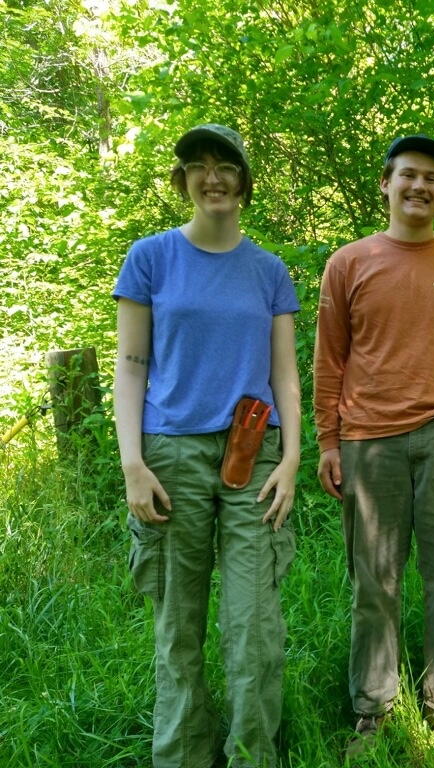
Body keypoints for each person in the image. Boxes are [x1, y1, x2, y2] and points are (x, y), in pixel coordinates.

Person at [313, 134, 434, 761]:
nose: (420, 186)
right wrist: (327, 441)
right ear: (386, 183)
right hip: (368, 439)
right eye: (408, 175)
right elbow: (329, 360)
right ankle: (372, 710)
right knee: (374, 581)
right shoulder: (349, 262)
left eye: (432, 178)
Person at [113, 123, 301, 768]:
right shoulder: (150, 258)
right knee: (178, 626)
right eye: (198, 165)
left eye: (225, 166)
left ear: (244, 182)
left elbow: (284, 374)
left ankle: (251, 755)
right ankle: (184, 756)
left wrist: (293, 457)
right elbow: (131, 366)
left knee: (254, 626)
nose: (212, 176)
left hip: (256, 454)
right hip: (170, 457)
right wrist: (132, 463)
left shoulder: (268, 270)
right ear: (183, 180)